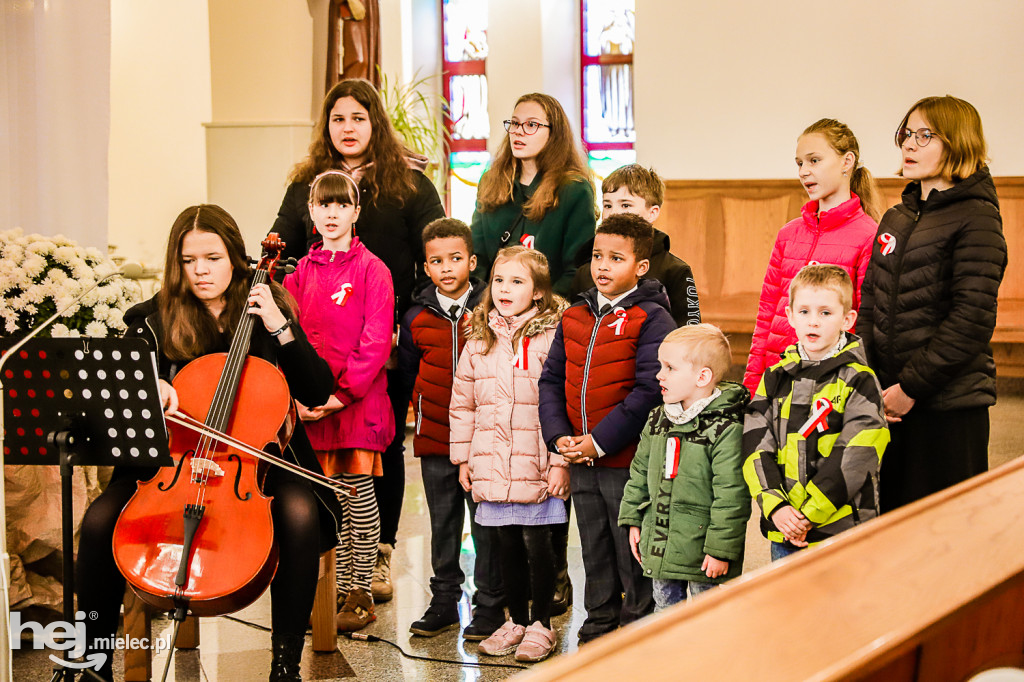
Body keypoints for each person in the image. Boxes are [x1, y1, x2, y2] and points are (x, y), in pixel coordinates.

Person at [76, 205, 341, 682]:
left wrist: (281, 328)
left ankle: (284, 663)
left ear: (236, 258)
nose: (200, 270)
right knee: (98, 522)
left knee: (299, 516)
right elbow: (121, 402)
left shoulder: (267, 305)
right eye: (188, 260)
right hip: (170, 463)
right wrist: (148, 391)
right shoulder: (150, 320)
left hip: (257, 463)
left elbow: (317, 390)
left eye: (213, 257)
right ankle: (93, 665)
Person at [271, 78, 446, 601]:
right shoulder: (307, 182)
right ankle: (324, 550)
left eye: (358, 118)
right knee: (317, 449)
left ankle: (378, 554)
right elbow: (281, 250)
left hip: (383, 339)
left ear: (376, 124)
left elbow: (437, 252)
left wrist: (406, 312)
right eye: (338, 119)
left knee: (381, 445)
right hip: (318, 343)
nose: (348, 129)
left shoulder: (409, 183)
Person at [858, 96, 1008, 512]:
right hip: (888, 398)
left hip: (946, 406)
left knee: (944, 534)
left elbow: (972, 318)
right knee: (890, 525)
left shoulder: (977, 217)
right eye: (906, 134)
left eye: (925, 135)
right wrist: (868, 378)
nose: (909, 144)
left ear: (958, 142)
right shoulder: (896, 218)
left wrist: (911, 388)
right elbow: (870, 300)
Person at [538, 212, 675, 645]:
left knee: (627, 547)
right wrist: (559, 438)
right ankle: (598, 625)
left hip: (624, 459)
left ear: (641, 267)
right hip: (580, 456)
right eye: (598, 256)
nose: (602, 266)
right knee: (593, 546)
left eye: (616, 258)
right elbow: (551, 380)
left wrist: (599, 442)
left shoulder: (653, 318)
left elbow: (647, 392)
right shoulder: (574, 315)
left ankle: (635, 630)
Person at [282, 170, 394, 631]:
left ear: (355, 211)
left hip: (356, 404)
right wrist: (300, 397)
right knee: (323, 505)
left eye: (341, 204)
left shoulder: (373, 269)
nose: (332, 213)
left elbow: (375, 342)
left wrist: (338, 394)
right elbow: (283, 337)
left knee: (359, 501)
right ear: (310, 212)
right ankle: (326, 592)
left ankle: (359, 591)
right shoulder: (297, 275)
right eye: (323, 205)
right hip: (310, 410)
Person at [449, 245, 569, 662]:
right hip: (492, 463)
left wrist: (560, 460)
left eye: (517, 281)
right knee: (504, 546)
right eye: (499, 280)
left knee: (538, 546)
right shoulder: (479, 336)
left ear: (538, 292)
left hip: (536, 462)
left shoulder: (554, 335)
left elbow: (565, 401)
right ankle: (515, 620)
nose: (504, 288)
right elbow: (462, 402)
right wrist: (463, 458)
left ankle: (541, 625)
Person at [397, 218, 505, 641]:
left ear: (472, 261)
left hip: (484, 441)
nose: (446, 267)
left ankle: (490, 604)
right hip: (436, 439)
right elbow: (406, 377)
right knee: (442, 524)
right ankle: (444, 600)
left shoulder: (493, 310)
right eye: (437, 261)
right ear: (426, 267)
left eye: (455, 259)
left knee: (485, 523)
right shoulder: (417, 317)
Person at [744, 265, 889, 561]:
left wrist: (809, 514)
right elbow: (755, 443)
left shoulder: (859, 379)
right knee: (786, 605)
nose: (814, 322)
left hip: (840, 529)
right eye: (805, 312)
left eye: (825, 313)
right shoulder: (775, 376)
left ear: (847, 319)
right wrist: (777, 507)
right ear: (790, 316)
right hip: (783, 527)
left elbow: (858, 453)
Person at [743, 119, 880, 395]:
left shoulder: (868, 235)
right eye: (799, 163)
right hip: (777, 379)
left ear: (847, 161)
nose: (804, 172)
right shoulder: (788, 234)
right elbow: (766, 317)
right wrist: (751, 385)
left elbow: (866, 324)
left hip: (831, 386)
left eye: (814, 160)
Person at [618, 324, 749, 610]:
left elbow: (732, 496)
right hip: (660, 539)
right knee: (665, 614)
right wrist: (633, 518)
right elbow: (639, 473)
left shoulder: (726, 428)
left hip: (704, 550)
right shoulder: (657, 419)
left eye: (670, 368)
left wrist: (720, 550)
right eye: (660, 366)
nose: (659, 375)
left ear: (703, 376)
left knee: (706, 618)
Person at [471, 92, 596, 298]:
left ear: (553, 133)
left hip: (548, 313)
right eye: (514, 123)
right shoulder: (491, 182)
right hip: (494, 310)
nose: (518, 132)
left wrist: (540, 311)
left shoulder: (574, 190)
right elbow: (478, 260)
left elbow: (577, 269)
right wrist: (489, 307)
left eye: (531, 125)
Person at [571, 164, 701, 327]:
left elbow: (688, 331)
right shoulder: (587, 270)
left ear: (652, 213)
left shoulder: (675, 270)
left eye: (625, 205)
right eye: (608, 205)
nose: (614, 213)